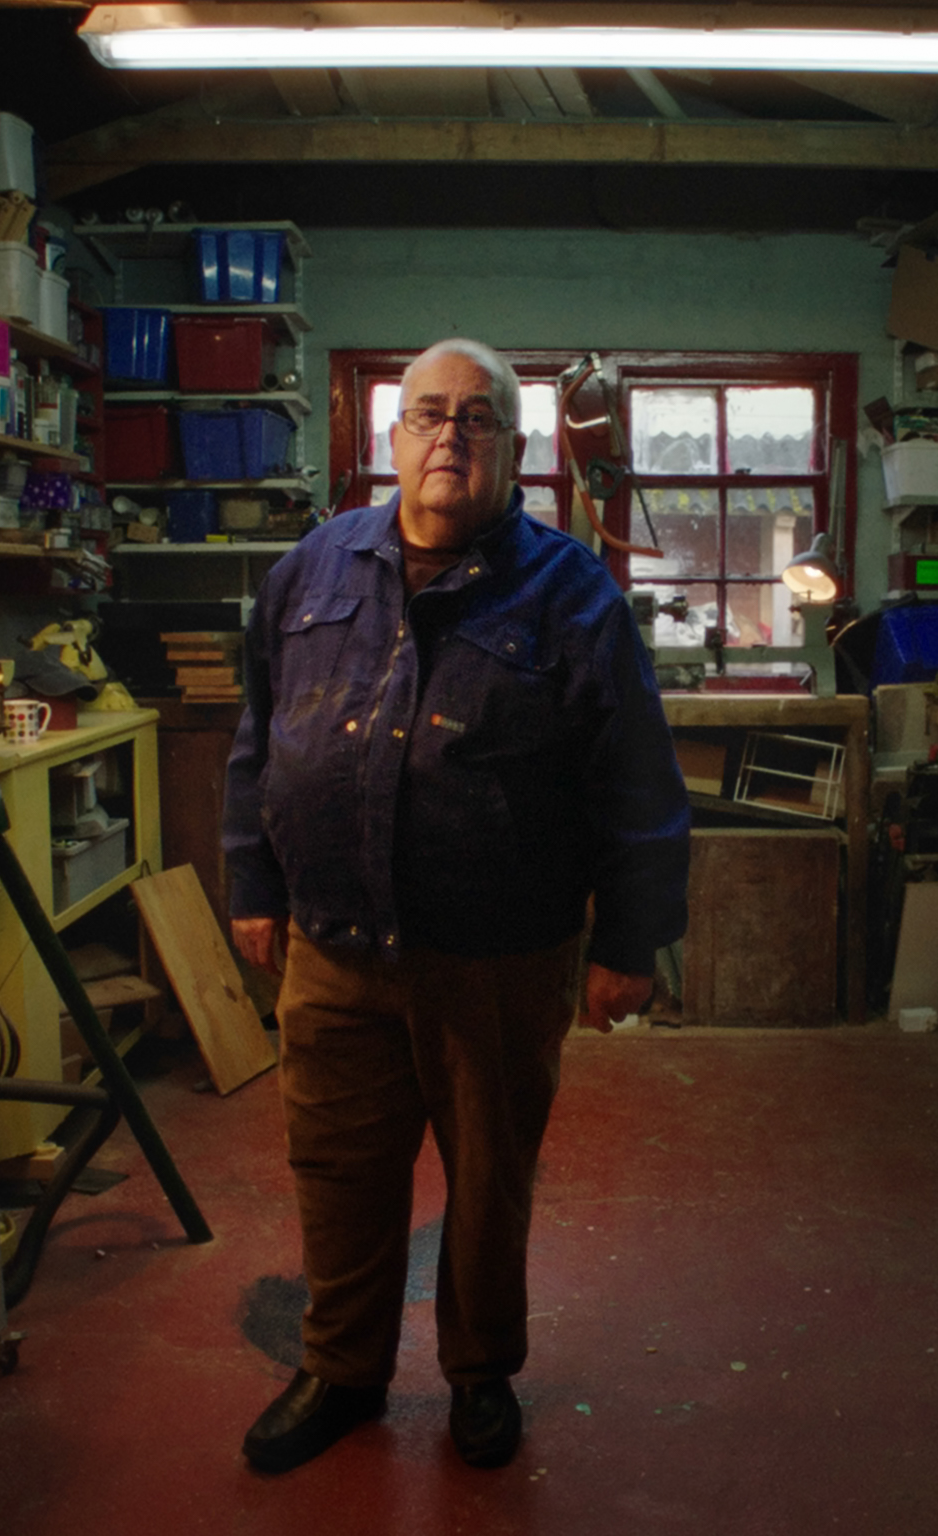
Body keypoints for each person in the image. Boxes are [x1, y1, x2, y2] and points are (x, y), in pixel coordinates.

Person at [223, 338, 691, 1474]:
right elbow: (254, 742)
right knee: (336, 1169)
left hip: (496, 954)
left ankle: (480, 1374)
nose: (448, 436)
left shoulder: (572, 595)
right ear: (391, 441)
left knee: (487, 1177)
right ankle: (342, 1368)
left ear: (514, 452)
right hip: (334, 948)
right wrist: (250, 879)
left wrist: (627, 942)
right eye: (427, 415)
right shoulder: (310, 572)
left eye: (475, 420)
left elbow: (635, 783)